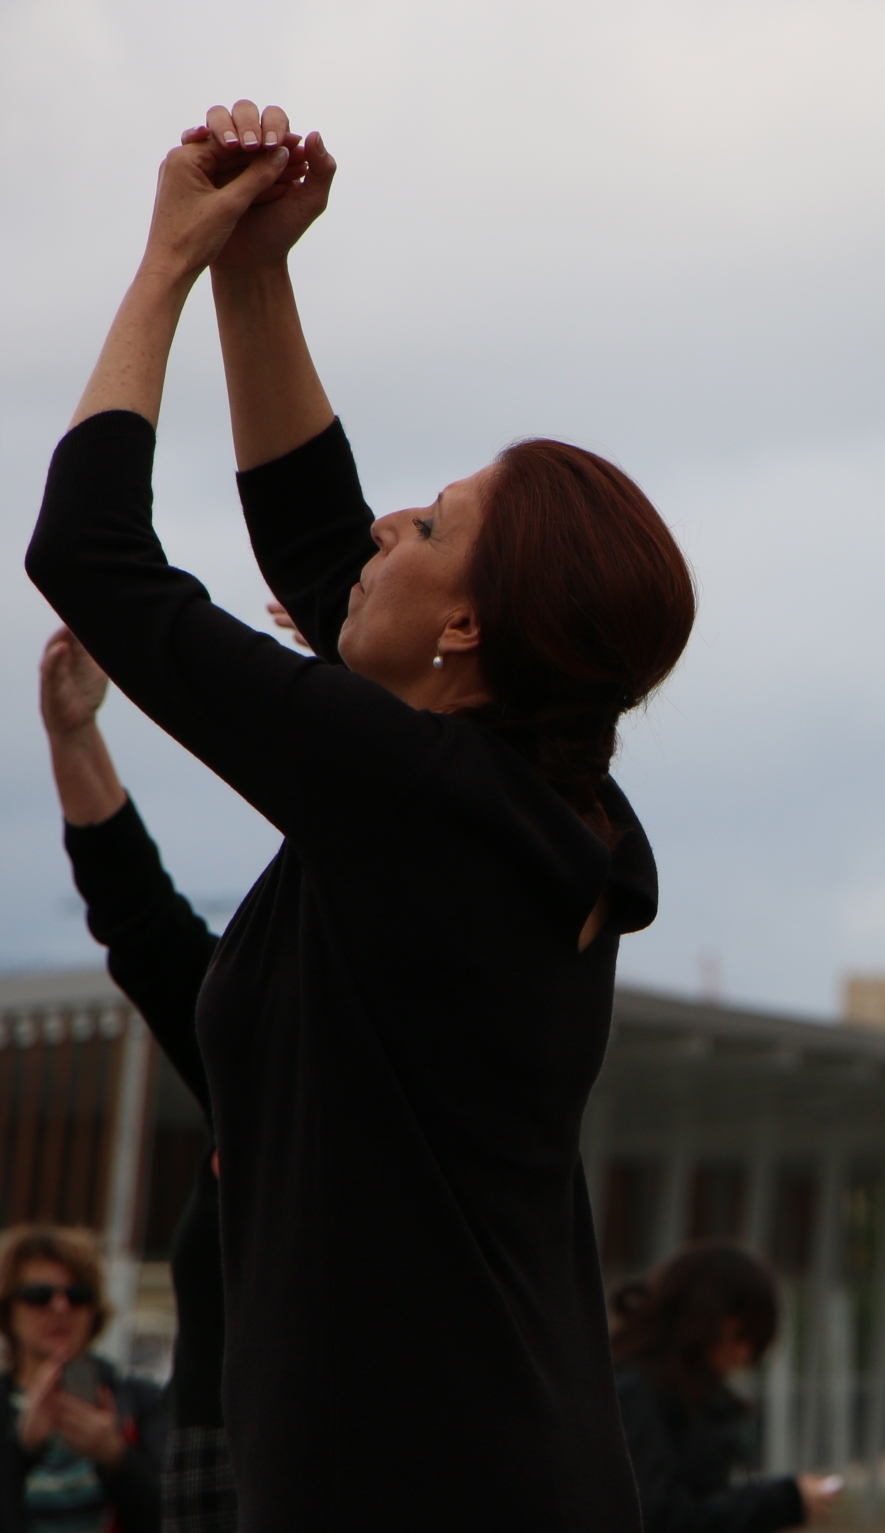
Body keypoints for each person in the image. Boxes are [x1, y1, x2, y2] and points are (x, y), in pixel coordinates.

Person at [24, 101, 695, 1531]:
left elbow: (90, 551)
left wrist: (166, 269)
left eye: (433, 523)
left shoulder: (425, 802)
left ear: (464, 629)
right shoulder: (501, 793)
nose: (388, 523)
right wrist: (260, 268)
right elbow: (332, 556)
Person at [37, 623, 236, 1533]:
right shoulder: (266, 1057)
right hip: (230, 1459)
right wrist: (75, 736)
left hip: (343, 1460)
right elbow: (143, 921)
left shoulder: (394, 1070)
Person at [611, 1245, 836, 1533]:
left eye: (754, 1343)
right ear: (699, 1318)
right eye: (739, 1335)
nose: (744, 1355)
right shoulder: (635, 1396)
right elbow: (665, 1519)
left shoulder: (687, 1396)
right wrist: (784, 1499)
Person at [1, 1226, 165, 1533]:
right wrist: (21, 1449)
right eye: (38, 1295)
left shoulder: (141, 1402)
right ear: (8, 1311)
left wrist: (116, 1458)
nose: (60, 1307)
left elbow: (173, 1517)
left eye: (78, 1295)